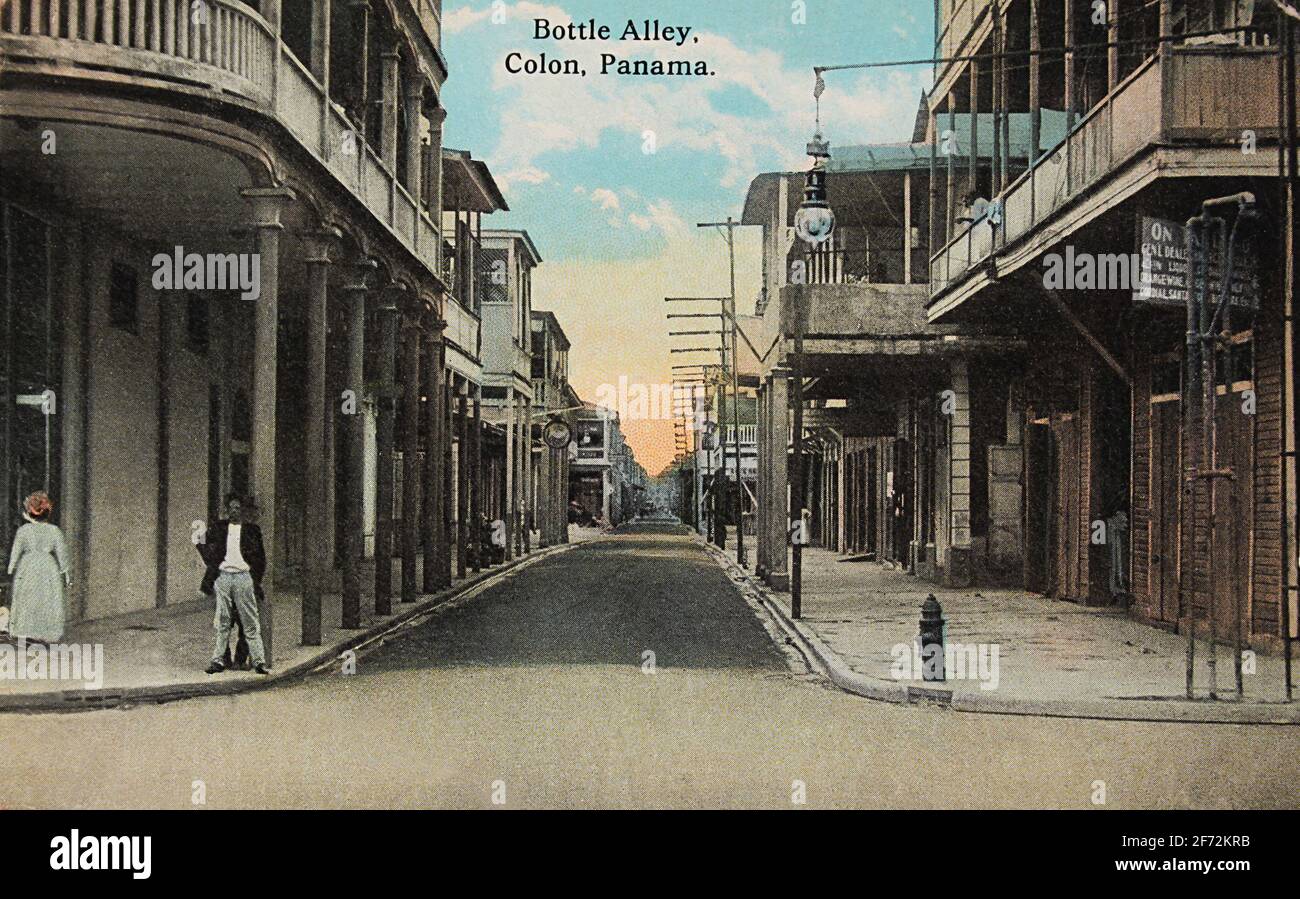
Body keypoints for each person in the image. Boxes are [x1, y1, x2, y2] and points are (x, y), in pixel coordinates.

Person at [197, 494, 269, 675]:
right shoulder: (219, 527)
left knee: (250, 621)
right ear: (227, 510)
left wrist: (254, 580)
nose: (234, 511)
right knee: (222, 621)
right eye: (231, 508)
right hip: (224, 577)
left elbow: (261, 558)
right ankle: (218, 660)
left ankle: (259, 661)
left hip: (244, 577)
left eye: (238, 508)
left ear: (243, 511)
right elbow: (201, 542)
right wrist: (213, 562)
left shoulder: (252, 530)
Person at [5, 491, 69, 643]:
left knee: (28, 596)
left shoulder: (23, 531)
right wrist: (65, 571)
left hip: (28, 566)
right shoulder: (54, 531)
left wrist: (10, 568)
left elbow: (15, 552)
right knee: (46, 597)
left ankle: (26, 632)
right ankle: (46, 633)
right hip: (48, 566)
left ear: (29, 512)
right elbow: (62, 553)